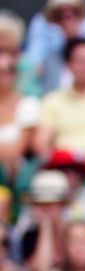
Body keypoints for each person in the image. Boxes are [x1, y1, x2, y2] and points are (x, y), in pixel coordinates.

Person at [0, 48, 37, 183]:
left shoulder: (28, 104)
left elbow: (18, 149)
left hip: (15, 173)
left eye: (8, 71)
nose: (3, 76)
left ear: (15, 74)